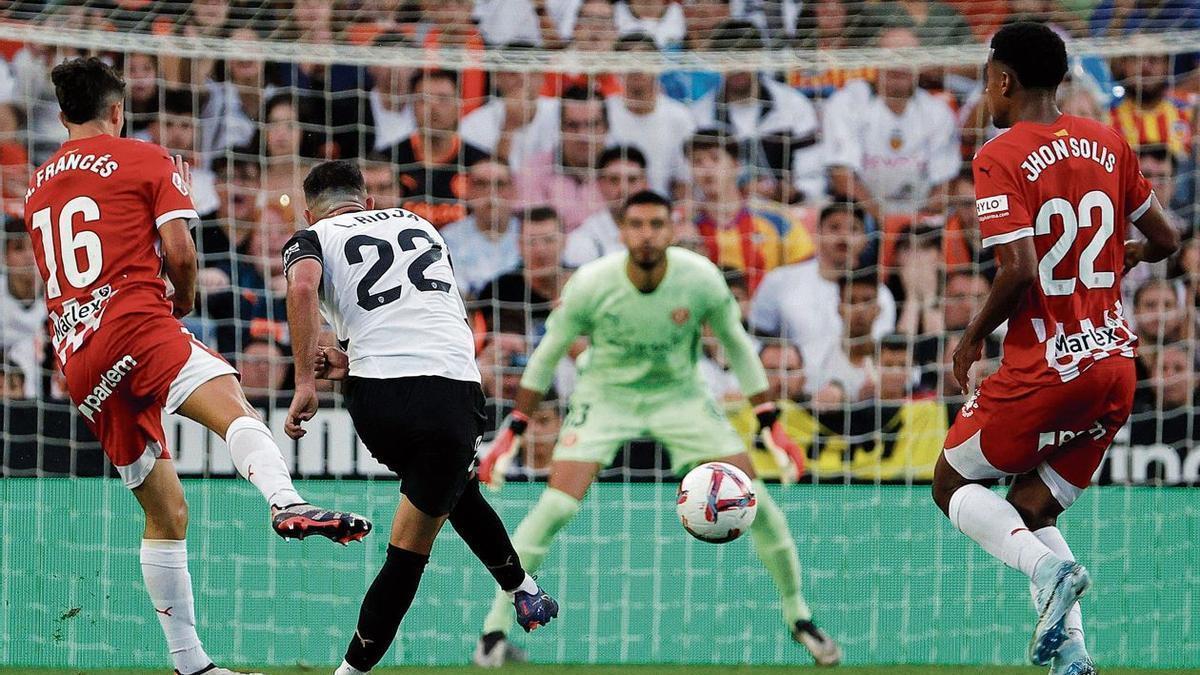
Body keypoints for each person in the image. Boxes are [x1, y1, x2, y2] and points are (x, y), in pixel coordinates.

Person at [23, 58, 371, 675]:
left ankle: (193, 666)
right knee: (230, 398)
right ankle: (284, 499)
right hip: (138, 324)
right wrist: (181, 302)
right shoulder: (147, 159)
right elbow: (180, 250)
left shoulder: (37, 186)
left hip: (77, 358)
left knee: (166, 512)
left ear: (61, 116)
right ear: (117, 111)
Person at [473, 190, 842, 667]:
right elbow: (548, 351)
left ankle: (800, 616)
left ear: (671, 229)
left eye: (656, 224)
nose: (646, 234)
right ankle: (495, 629)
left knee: (757, 501)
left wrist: (770, 422)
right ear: (623, 232)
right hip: (605, 396)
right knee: (556, 506)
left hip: (681, 397)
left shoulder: (701, 279)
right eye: (637, 225)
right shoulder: (592, 283)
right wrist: (514, 428)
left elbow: (739, 346)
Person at [930, 24, 1180, 675]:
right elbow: (1170, 237)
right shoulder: (1109, 141)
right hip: (1117, 368)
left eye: (988, 74)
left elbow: (1017, 267)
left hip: (1047, 365)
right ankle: (1071, 651)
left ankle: (1048, 567)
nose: (988, 86)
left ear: (1004, 80)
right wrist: (1124, 255)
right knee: (1030, 505)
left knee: (950, 481)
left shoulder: (999, 154)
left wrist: (972, 335)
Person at [281, 160, 558, 675]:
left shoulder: (311, 236)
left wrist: (310, 376)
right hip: (452, 391)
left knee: (453, 487)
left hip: (378, 398)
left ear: (308, 209)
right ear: (366, 200)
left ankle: (524, 588)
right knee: (408, 554)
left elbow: (302, 288)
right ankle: (351, 673)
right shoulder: (419, 224)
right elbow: (426, 309)